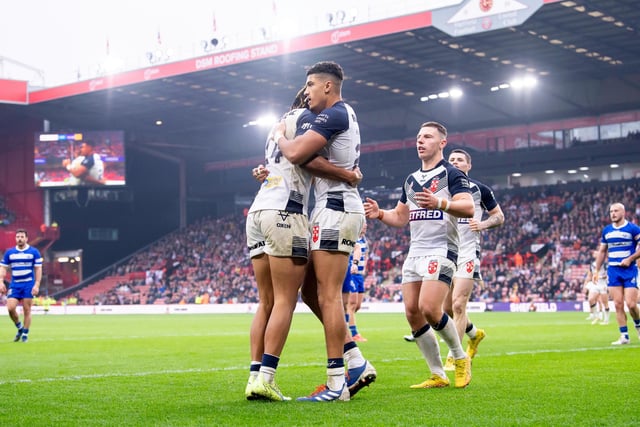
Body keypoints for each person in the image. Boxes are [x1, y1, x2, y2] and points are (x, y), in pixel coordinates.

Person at [245, 87, 363, 402]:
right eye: (308, 92)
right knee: (290, 299)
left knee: (267, 301)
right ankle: (268, 378)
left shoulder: (276, 127)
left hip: (257, 212)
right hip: (287, 210)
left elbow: (277, 166)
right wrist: (348, 174)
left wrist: (265, 169)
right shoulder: (305, 121)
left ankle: (255, 376)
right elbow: (303, 158)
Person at [275, 61, 375, 402]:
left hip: (336, 207)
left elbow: (298, 154)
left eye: (310, 86)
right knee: (311, 293)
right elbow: (309, 160)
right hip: (330, 206)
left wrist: (280, 138)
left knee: (329, 296)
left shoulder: (334, 114)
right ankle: (356, 362)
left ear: (328, 87)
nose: (306, 92)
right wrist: (347, 174)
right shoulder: (337, 115)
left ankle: (337, 384)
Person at [364, 121, 474, 389]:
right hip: (415, 252)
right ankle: (438, 374)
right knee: (412, 313)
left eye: (427, 137)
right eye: (418, 137)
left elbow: (469, 207)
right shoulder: (411, 180)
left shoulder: (452, 174)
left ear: (442, 143)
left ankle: (460, 358)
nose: (420, 141)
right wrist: (380, 214)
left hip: (442, 249)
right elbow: (401, 216)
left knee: (429, 308)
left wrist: (440, 203)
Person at [442, 149, 504, 370]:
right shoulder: (440, 188)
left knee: (459, 305)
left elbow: (499, 216)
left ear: (469, 166)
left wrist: (483, 224)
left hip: (467, 251)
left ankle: (455, 357)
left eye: (460, 160)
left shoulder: (480, 189)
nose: (455, 163)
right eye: (451, 160)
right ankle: (474, 334)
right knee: (447, 309)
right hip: (444, 251)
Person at [593, 202, 640, 345]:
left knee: (631, 304)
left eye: (616, 211)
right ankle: (624, 336)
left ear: (623, 212)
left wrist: (630, 259)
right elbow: (602, 252)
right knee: (618, 304)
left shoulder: (633, 229)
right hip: (613, 271)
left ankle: (638, 326)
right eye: (611, 211)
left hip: (629, 270)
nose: (613, 214)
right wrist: (596, 270)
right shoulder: (607, 231)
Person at [0, 228, 43, 342]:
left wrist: (37, 284)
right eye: (18, 237)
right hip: (15, 285)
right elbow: (3, 267)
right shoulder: (10, 252)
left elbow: (38, 269)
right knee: (10, 308)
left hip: (28, 284)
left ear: (26, 238)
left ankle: (25, 334)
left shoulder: (34, 252)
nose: (19, 239)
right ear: (16, 238)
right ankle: (19, 327)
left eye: (22, 237)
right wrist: (0, 281)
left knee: (27, 310)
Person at [343, 221, 368, 342]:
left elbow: (365, 253)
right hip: (351, 273)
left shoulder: (364, 240)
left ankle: (345, 324)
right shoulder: (352, 237)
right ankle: (353, 333)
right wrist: (354, 265)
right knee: (351, 304)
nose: (365, 227)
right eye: (363, 224)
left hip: (360, 276)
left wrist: (365, 268)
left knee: (357, 306)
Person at [583, 256, 609, 325]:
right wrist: (585, 284)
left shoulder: (605, 264)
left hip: (603, 284)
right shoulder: (592, 265)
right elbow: (590, 275)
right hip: (595, 284)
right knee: (591, 299)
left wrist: (599, 277)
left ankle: (606, 320)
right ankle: (596, 316)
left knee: (605, 302)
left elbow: (607, 275)